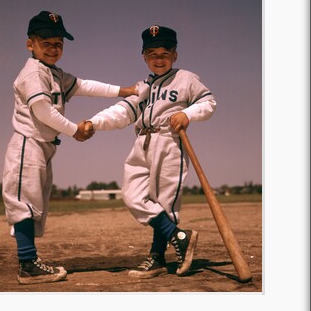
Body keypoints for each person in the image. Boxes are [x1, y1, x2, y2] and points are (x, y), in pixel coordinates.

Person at [1, 10, 138, 285]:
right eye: (46, 42)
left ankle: (30, 262)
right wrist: (75, 130)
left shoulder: (52, 72)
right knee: (24, 204)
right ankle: (28, 266)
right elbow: (43, 111)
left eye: (58, 43)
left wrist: (123, 90)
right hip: (28, 144)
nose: (53, 48)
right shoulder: (32, 73)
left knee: (34, 204)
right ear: (31, 44)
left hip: (43, 147)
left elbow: (84, 85)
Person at [84, 25, 217, 278]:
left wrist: (187, 113)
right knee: (132, 196)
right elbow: (122, 111)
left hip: (169, 141)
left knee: (165, 202)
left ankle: (156, 257)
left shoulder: (186, 79)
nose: (159, 58)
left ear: (175, 55)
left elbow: (208, 102)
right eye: (152, 53)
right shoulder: (143, 86)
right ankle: (180, 237)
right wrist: (94, 122)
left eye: (165, 53)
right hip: (142, 141)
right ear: (143, 56)